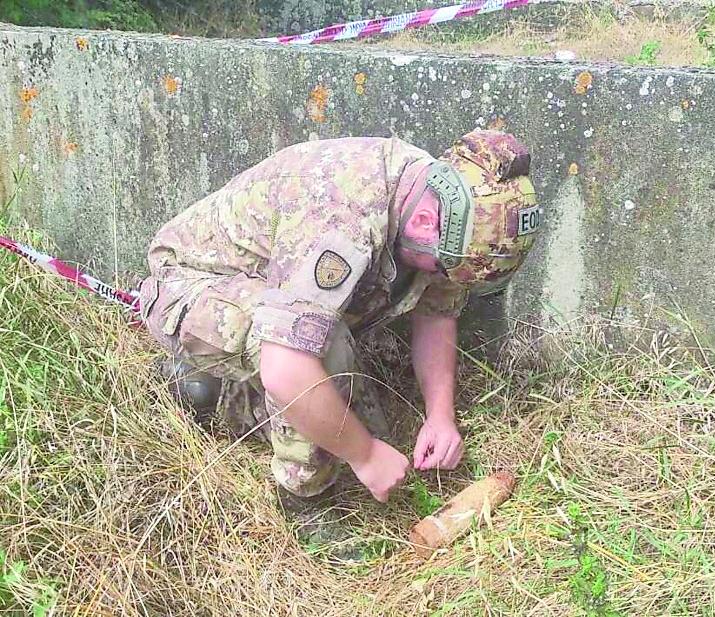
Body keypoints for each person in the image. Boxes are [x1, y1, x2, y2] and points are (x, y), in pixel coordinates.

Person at [138, 129, 542, 509]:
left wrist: (440, 416)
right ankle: (305, 501)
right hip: (192, 287)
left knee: (361, 421)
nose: (445, 277)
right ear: (423, 223)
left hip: (272, 284)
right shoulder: (343, 214)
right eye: (444, 266)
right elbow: (287, 367)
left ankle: (205, 390)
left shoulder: (443, 203)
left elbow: (437, 312)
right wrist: (365, 456)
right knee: (321, 356)